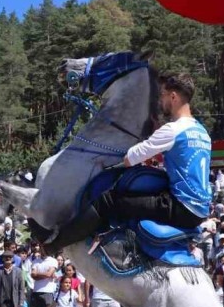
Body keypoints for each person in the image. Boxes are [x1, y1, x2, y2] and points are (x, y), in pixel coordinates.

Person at [41, 73, 211, 254]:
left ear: (173, 96)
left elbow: (131, 158)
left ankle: (53, 246)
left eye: (162, 95)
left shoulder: (173, 129)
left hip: (180, 206)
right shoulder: (201, 131)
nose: (160, 101)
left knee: (107, 200)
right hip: (201, 208)